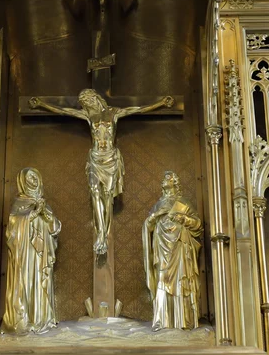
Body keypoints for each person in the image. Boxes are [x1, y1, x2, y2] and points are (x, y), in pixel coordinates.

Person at [30, 90, 174, 255]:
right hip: (95, 159)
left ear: (95, 98)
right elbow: (64, 111)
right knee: (95, 194)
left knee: (107, 198)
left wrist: (161, 103)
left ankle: (104, 232)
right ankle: (100, 235)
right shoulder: (88, 116)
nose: (87, 104)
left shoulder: (114, 113)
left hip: (110, 159)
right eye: (84, 102)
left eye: (88, 101)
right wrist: (42, 104)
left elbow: (138, 109)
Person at [1, 168, 61, 335]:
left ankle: (41, 318)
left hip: (39, 258)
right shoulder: (19, 203)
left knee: (40, 285)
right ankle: (22, 321)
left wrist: (46, 215)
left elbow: (54, 229)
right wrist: (33, 214)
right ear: (23, 182)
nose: (34, 181)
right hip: (25, 255)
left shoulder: (45, 204)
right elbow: (13, 230)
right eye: (30, 178)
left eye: (36, 177)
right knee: (24, 285)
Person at [143, 171, 203, 330]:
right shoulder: (158, 204)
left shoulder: (183, 203)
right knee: (162, 279)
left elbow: (197, 225)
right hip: (162, 249)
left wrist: (184, 219)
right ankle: (162, 320)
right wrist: (155, 216)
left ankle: (182, 321)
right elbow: (148, 226)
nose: (164, 180)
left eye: (168, 178)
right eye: (164, 178)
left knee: (180, 282)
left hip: (180, 247)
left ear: (175, 182)